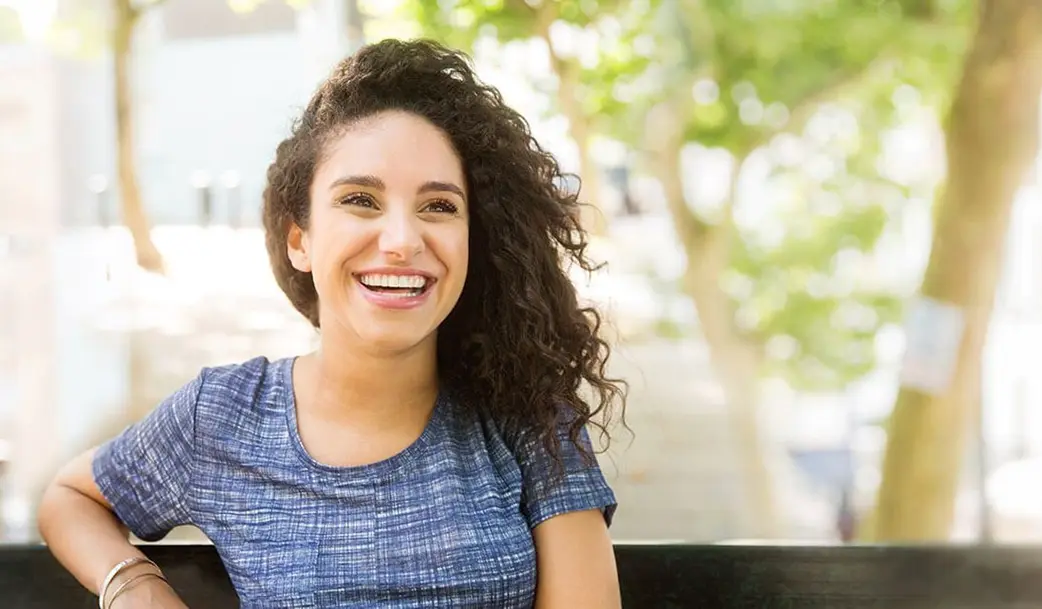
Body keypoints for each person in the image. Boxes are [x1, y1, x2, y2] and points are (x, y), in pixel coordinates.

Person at [36, 38, 626, 608]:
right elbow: (69, 496)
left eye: (439, 206)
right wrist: (134, 583)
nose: (400, 241)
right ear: (301, 239)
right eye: (360, 200)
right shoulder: (221, 418)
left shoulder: (530, 415)